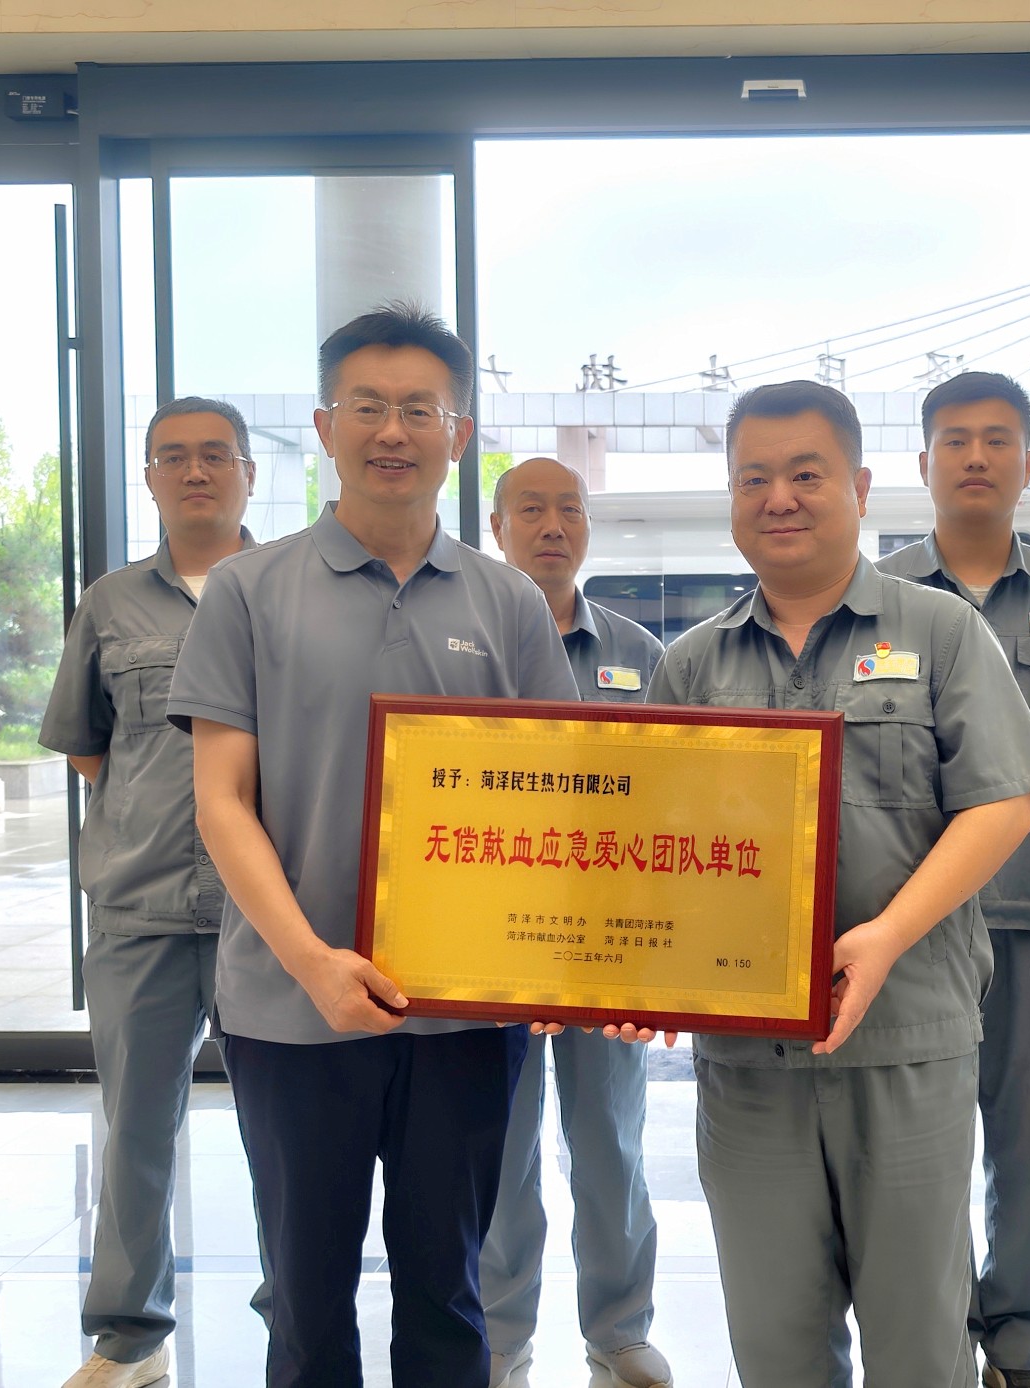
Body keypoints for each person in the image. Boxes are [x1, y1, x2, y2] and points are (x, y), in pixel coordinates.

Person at [168, 303, 579, 1388]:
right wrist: (313, 962)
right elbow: (222, 802)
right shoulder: (248, 591)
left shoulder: (509, 603)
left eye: (418, 410)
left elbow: (561, 806)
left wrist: (562, 961)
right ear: (324, 425)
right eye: (367, 406)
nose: (392, 430)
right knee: (305, 1302)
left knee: (448, 1293)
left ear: (458, 434)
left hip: (466, 1015)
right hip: (289, 1009)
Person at [621, 379, 1030, 1387]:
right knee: (775, 1340)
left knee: (920, 1342)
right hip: (747, 1064)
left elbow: (1005, 803)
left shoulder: (942, 632)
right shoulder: (692, 666)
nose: (780, 497)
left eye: (806, 474)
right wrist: (636, 972)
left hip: (907, 1039)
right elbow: (651, 852)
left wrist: (886, 935)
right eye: (754, 479)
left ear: (859, 488)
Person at [876, 372, 1030, 1388]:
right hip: (905, 918)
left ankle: (1018, 1339)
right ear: (923, 461)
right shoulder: (878, 591)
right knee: (915, 1143)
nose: (977, 456)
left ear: (1028, 462)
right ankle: (930, 1331)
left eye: (998, 439)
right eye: (956, 439)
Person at [42, 397, 259, 1388]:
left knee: (288, 1132)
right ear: (149, 478)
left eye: (215, 454)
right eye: (173, 457)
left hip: (271, 915)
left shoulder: (288, 590)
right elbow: (89, 747)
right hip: (140, 908)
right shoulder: (110, 602)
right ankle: (129, 1336)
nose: (195, 471)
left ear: (249, 472)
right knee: (134, 1126)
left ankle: (297, 1315)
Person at [481, 455, 671, 1388]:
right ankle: (500, 1336)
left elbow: (677, 790)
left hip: (610, 944)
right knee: (499, 1154)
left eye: (570, 509)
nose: (552, 525)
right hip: (495, 942)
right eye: (531, 509)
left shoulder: (640, 652)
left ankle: (619, 1333)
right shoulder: (468, 643)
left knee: (610, 1144)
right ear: (497, 527)